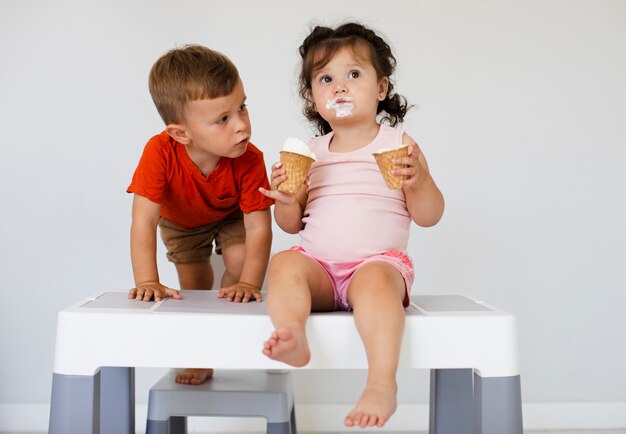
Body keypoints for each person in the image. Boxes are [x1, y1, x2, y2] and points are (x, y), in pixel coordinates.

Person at [259, 23, 444, 428]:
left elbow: (429, 216)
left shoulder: (399, 146)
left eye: (353, 75)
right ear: (312, 96)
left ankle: (381, 382)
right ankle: (293, 335)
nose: (339, 87)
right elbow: (290, 226)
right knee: (284, 265)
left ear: (381, 88)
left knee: (377, 281)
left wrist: (421, 181)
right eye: (326, 79)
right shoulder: (309, 152)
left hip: (376, 266)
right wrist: (287, 200)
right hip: (319, 269)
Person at [127, 45, 273, 385]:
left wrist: (249, 283)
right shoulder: (159, 152)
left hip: (230, 215)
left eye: (242, 107)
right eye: (223, 119)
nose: (241, 126)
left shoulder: (250, 159)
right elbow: (143, 222)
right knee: (194, 290)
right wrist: (146, 280)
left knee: (239, 261)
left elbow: (259, 227)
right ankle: (201, 354)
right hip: (181, 222)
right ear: (181, 133)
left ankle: (226, 319)